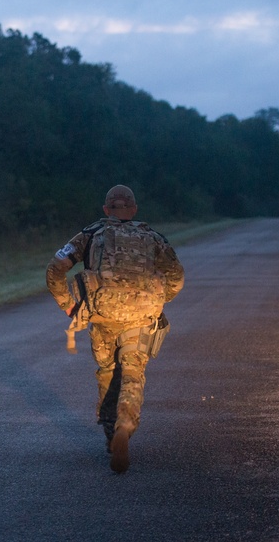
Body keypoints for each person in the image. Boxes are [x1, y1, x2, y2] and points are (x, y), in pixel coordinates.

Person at [46, 184, 184, 474]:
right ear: (134, 210)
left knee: (108, 371)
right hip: (140, 317)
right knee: (132, 372)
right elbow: (176, 277)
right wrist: (158, 299)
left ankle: (111, 434)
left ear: (106, 209)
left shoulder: (90, 234)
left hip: (103, 317)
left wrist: (68, 306)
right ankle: (125, 424)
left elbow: (55, 268)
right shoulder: (152, 237)